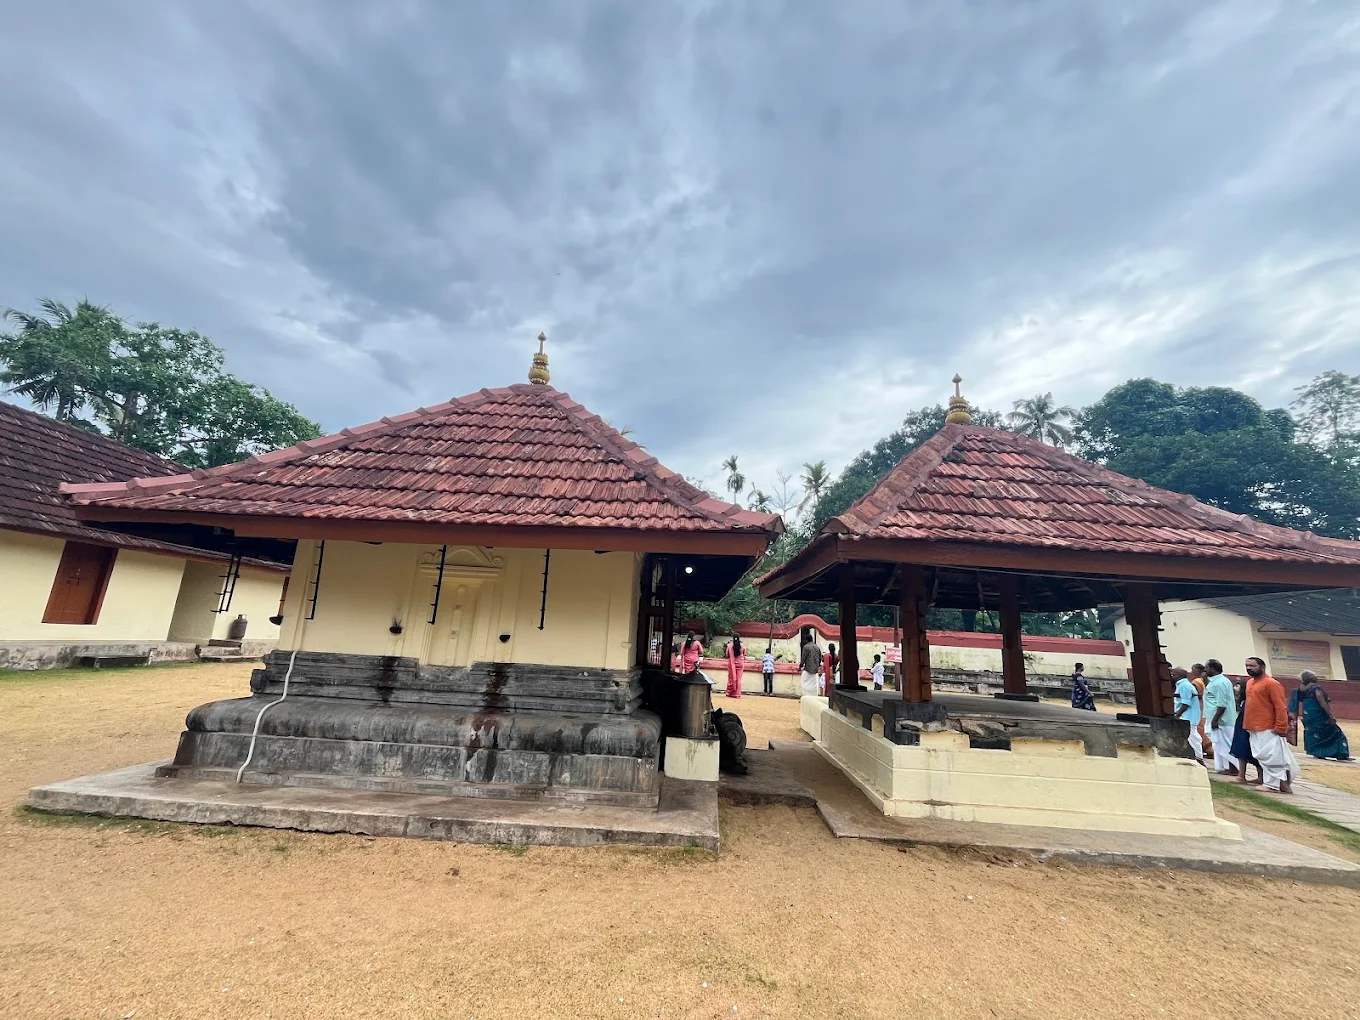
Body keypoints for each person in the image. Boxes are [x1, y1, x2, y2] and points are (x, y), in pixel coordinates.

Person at [1244, 656, 1299, 794]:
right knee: (1263, 756)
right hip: (1252, 725)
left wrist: (1281, 726)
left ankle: (1271, 785)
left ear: (1262, 667)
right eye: (1247, 666)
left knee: (1272, 757)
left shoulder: (1272, 683)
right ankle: (1282, 784)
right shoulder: (1250, 683)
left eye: (1252, 666)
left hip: (1269, 727)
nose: (1249, 668)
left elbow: (1280, 706)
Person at [1290, 670, 1353, 761]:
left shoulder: (1301, 689)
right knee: (1335, 732)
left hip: (1308, 716)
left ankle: (1317, 752)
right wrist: (1330, 714)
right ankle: (1340, 753)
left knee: (1313, 733)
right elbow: (1321, 701)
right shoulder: (1316, 688)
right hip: (1318, 715)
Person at [1202, 659, 1239, 775]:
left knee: (1224, 745)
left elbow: (1222, 704)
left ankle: (1233, 768)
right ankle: (1225, 768)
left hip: (1222, 720)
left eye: (1206, 668)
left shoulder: (1220, 683)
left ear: (1212, 669)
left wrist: (1215, 720)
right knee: (1218, 745)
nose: (1205, 670)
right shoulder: (1216, 681)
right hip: (1217, 718)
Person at [1229, 675, 1263, 785]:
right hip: (1242, 725)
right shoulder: (1243, 701)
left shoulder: (1251, 700)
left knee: (1248, 750)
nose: (1235, 688)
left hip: (1247, 727)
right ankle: (1242, 775)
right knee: (1242, 750)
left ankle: (1249, 776)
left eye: (1237, 686)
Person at [1172, 667, 1204, 762]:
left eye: (1174, 674)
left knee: (1192, 737)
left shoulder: (1184, 686)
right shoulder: (1184, 684)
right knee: (1189, 737)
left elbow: (1186, 703)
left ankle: (1199, 758)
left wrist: (1177, 715)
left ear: (1179, 676)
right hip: (1188, 716)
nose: (1172, 676)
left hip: (1188, 716)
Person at [1189, 663, 1212, 758]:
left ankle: (1208, 750)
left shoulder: (1196, 682)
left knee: (1199, 730)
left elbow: (1195, 696)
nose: (1191, 672)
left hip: (1198, 708)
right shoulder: (1204, 681)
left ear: (1196, 671)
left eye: (1192, 670)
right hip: (1205, 708)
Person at [725, 634, 744, 698]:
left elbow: (727, 655)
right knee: (739, 679)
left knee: (731, 678)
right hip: (740, 664)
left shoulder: (729, 646)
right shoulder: (742, 646)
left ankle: (730, 692)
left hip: (731, 664)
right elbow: (744, 654)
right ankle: (737, 694)